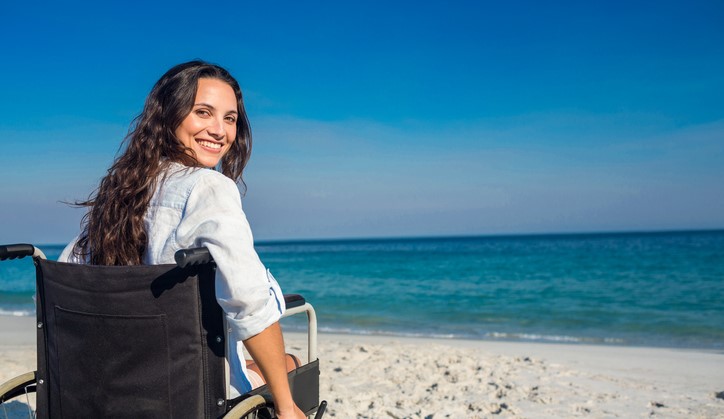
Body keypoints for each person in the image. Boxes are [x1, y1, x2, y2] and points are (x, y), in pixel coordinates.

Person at [59, 60, 305, 419]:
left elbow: (71, 271)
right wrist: (286, 406)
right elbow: (248, 301)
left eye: (230, 118)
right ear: (169, 115)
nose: (219, 131)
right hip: (189, 391)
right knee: (294, 363)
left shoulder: (120, 192)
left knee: (262, 360)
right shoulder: (208, 187)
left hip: (116, 380)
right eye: (203, 112)